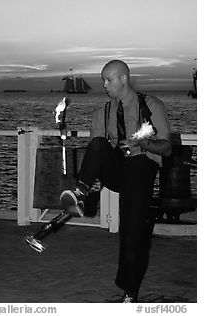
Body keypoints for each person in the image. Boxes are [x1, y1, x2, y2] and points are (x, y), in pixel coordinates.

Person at [60, 60, 172, 303]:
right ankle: (81, 192)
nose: (104, 85)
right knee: (98, 143)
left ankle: (129, 293)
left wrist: (142, 143)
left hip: (141, 173)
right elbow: (96, 153)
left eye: (108, 80)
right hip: (117, 172)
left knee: (132, 235)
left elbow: (166, 148)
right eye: (103, 80)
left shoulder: (151, 106)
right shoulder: (103, 113)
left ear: (123, 78)